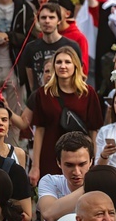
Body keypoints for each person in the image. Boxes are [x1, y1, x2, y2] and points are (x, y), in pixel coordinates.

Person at [31, 46, 103, 186]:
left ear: (75, 65)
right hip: (50, 155)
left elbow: (93, 131)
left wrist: (92, 161)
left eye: (67, 62)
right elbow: (39, 131)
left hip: (79, 158)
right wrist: (35, 166)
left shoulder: (88, 93)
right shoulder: (43, 93)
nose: (63, 66)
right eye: (58, 62)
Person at [21, 3, 83, 91]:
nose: (47, 21)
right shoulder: (30, 48)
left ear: (59, 20)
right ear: (38, 21)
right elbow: (31, 83)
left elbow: (79, 77)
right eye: (43, 17)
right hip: (41, 99)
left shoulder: (72, 46)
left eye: (51, 17)